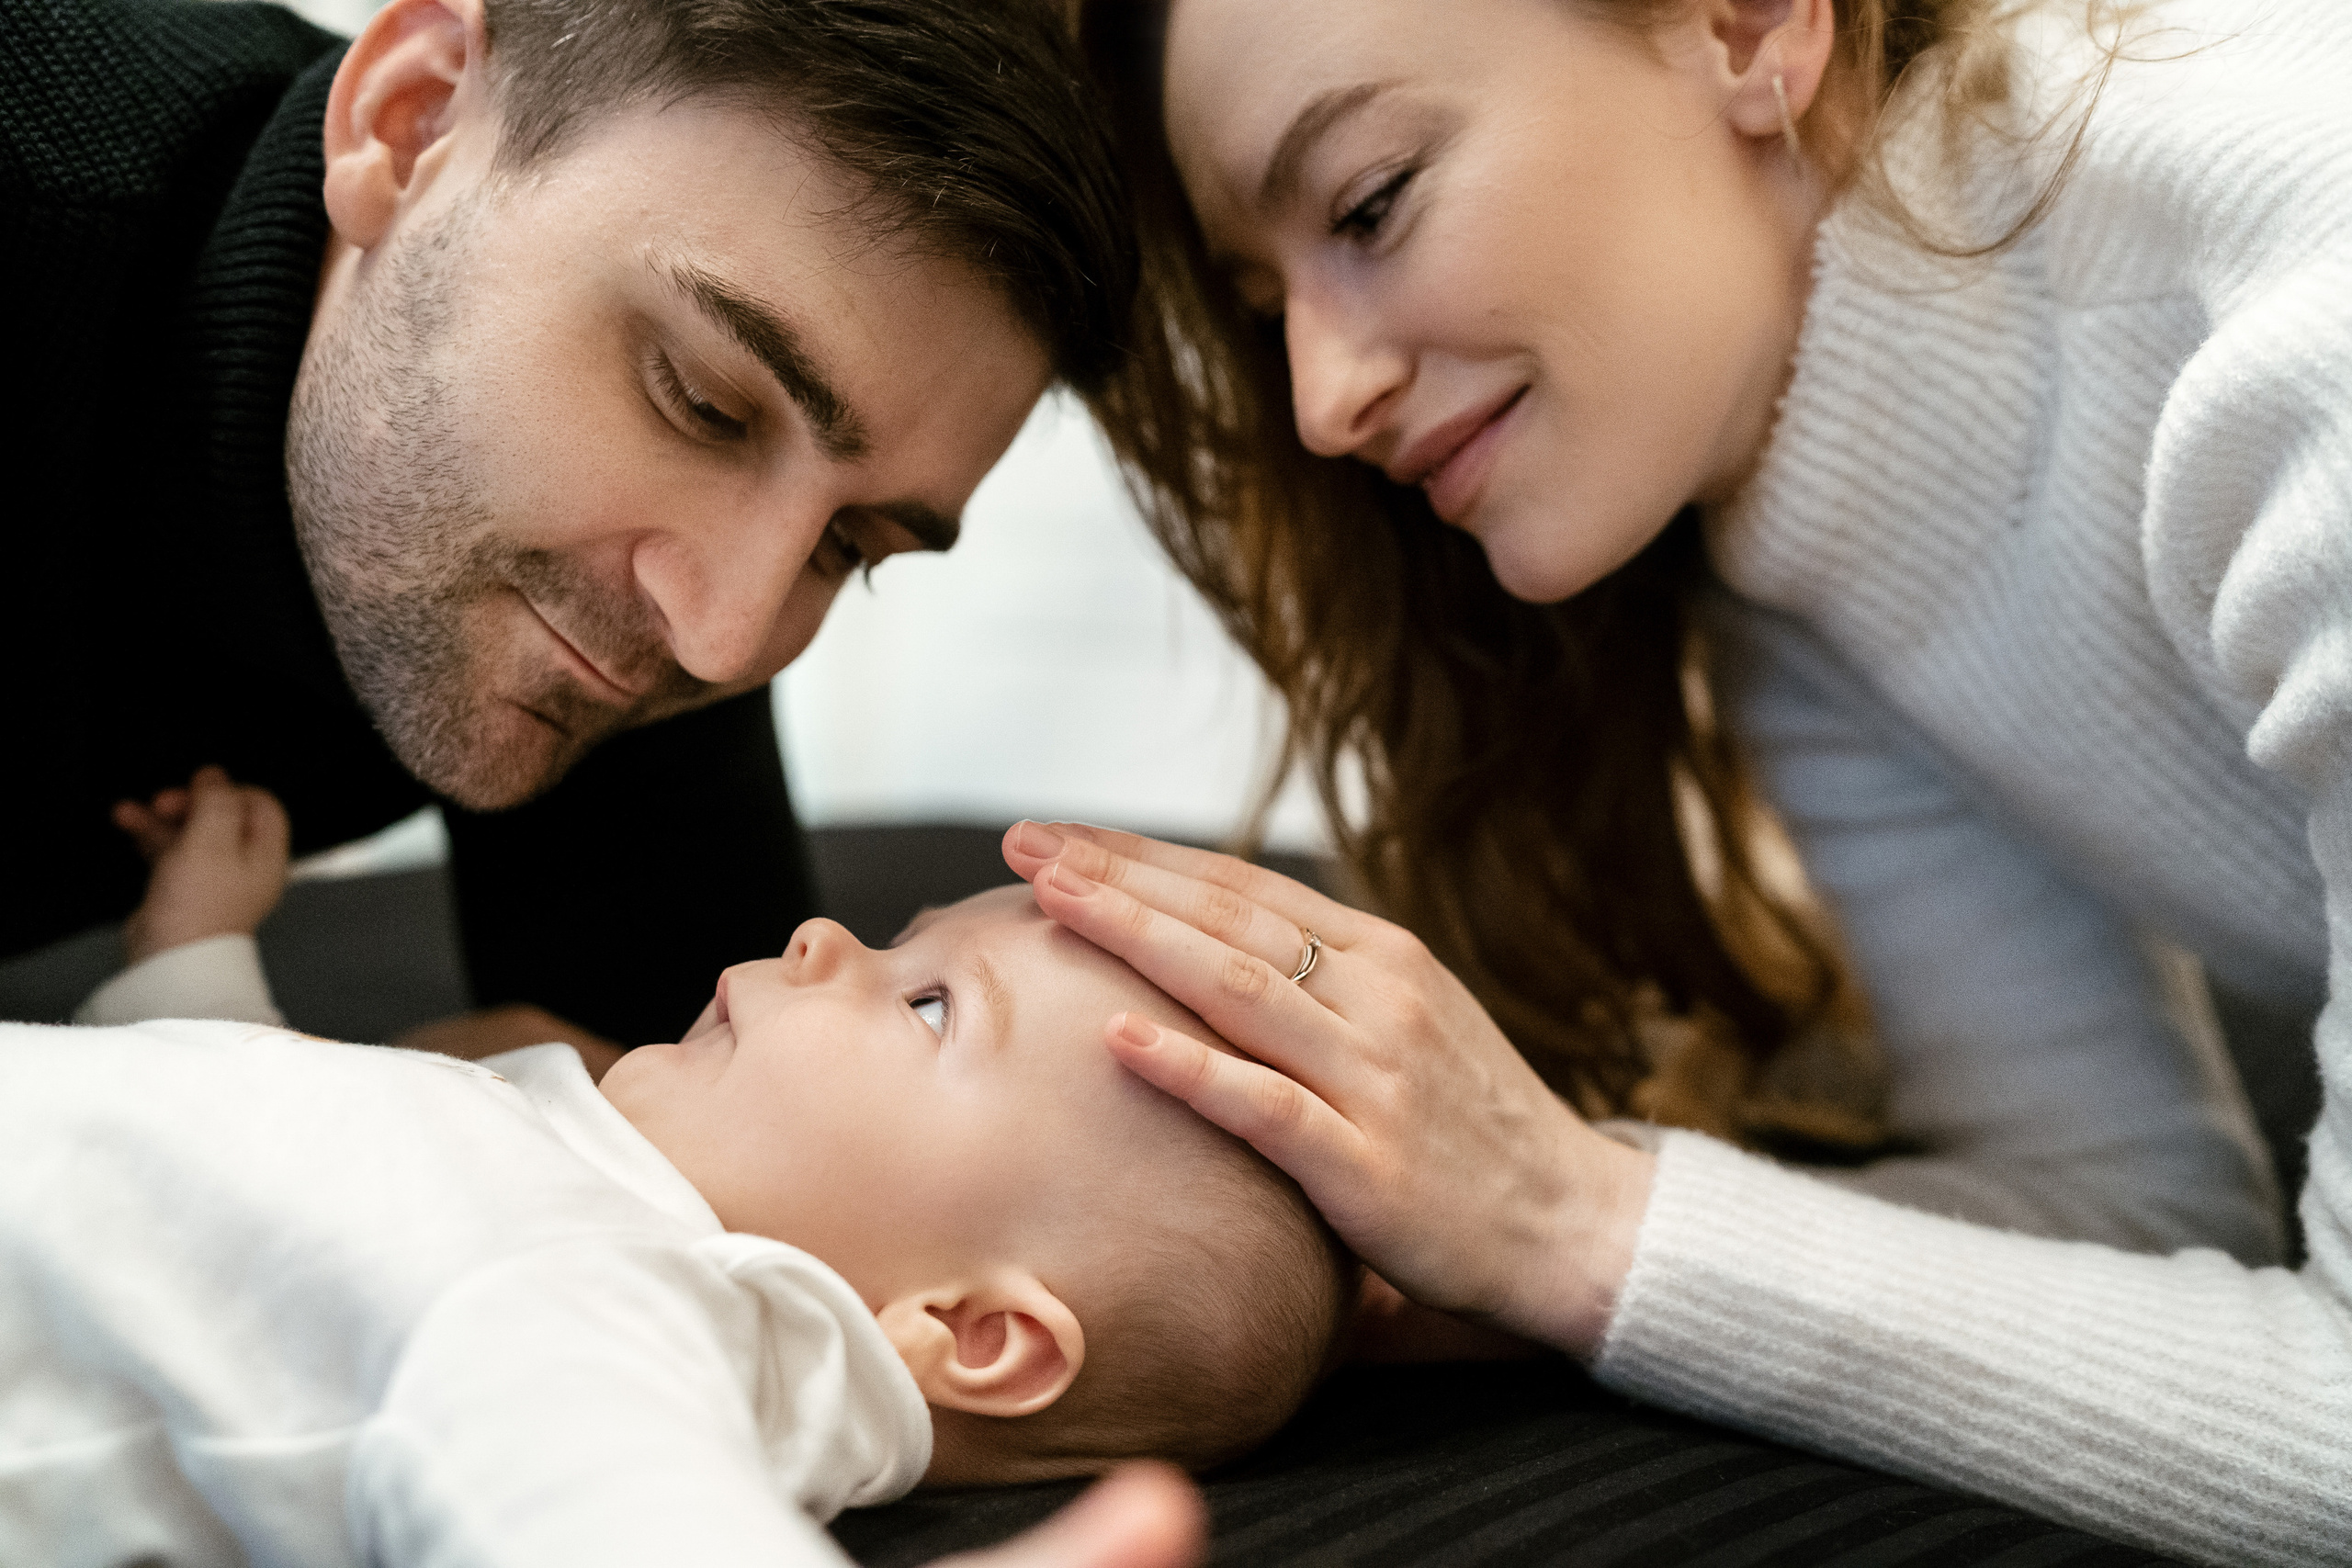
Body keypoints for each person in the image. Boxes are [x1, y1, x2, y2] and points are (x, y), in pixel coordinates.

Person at [990, 0, 2350, 1561]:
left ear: (1749, 25)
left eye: (1369, 203)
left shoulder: (2307, 326)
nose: (1318, 398)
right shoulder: (1787, 530)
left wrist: (1565, 1221)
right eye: (1264, 299)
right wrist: (1448, 1226)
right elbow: (2133, 1206)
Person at [0, 0, 1131, 1056]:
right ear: (410, 122)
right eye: (702, 403)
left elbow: (664, 1080)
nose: (721, 641)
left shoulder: (641, 602)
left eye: (849, 547)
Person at [10, 772, 1350, 1567]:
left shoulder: (602, 1285)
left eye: (928, 1004)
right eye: (895, 936)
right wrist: (189, 963)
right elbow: (252, 1226)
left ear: (969, 1329)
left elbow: (596, 1495)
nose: (824, 934)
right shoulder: (558, 1196)